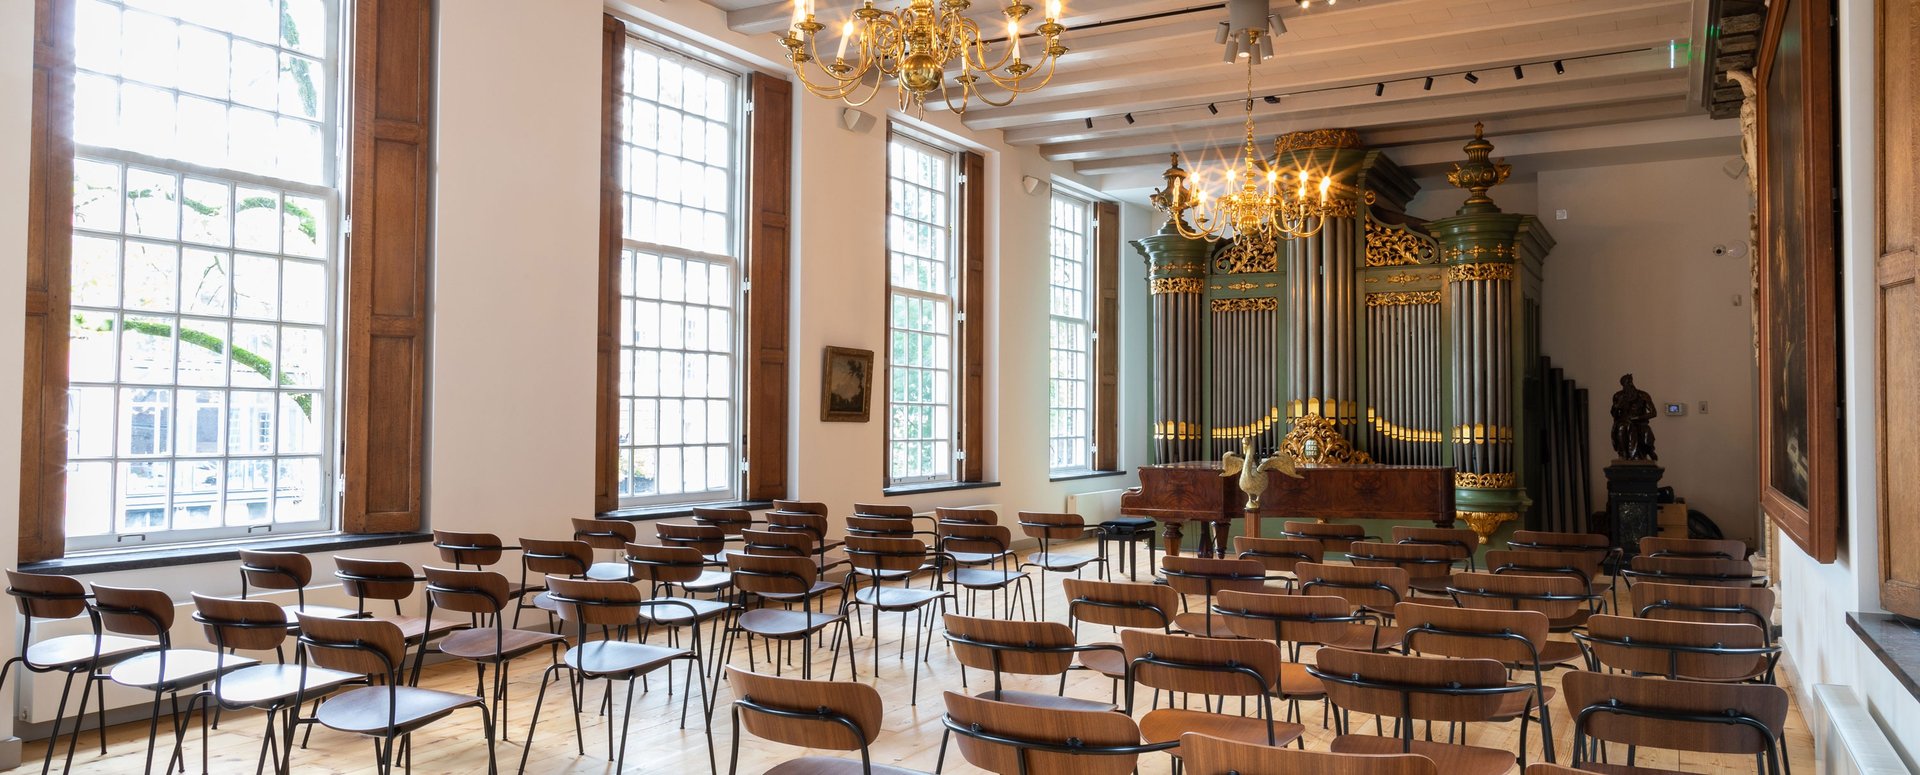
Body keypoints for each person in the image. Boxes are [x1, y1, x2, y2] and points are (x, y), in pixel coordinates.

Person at [1610, 373, 1657, 461]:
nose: (1629, 385)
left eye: (1630, 383)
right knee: (1622, 427)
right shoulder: (1618, 396)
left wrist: (1638, 418)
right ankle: (1624, 454)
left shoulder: (1643, 395)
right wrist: (1617, 406)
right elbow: (1614, 414)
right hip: (1623, 421)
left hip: (1640, 422)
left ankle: (1648, 450)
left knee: (1644, 431)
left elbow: (1653, 413)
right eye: (1626, 384)